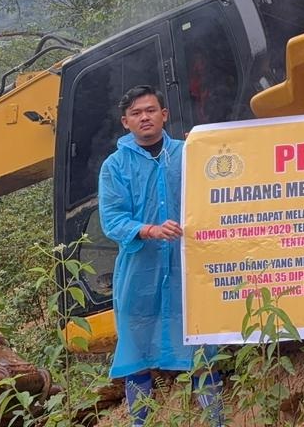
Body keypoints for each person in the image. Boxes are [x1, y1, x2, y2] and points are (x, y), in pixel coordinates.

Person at [99, 85, 224, 426]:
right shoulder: (115, 166)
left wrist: (209, 145)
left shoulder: (188, 153)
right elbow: (112, 219)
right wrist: (149, 230)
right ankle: (142, 422)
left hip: (189, 272)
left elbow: (222, 183)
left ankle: (216, 420)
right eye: (137, 113)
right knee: (135, 354)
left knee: (200, 348)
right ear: (126, 122)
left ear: (164, 114)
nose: (145, 117)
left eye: (151, 110)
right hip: (139, 274)